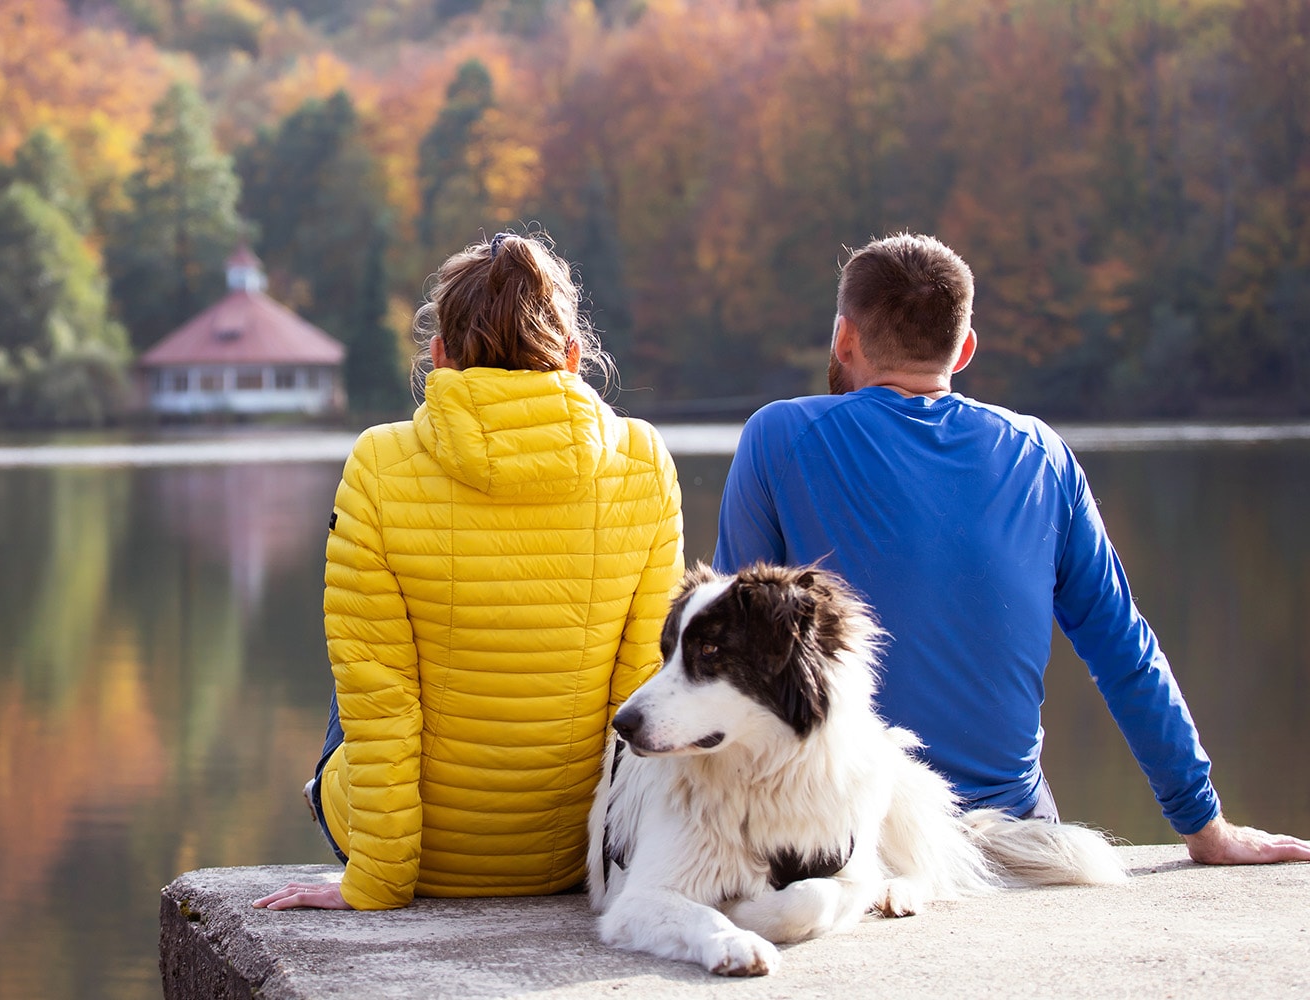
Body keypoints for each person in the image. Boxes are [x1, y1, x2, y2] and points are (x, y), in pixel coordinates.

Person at [713, 233, 1308, 864]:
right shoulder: (1041, 453)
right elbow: (1121, 646)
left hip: (849, 827)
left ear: (842, 338)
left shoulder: (779, 436)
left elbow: (726, 646)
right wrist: (1203, 824)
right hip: (1011, 828)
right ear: (965, 349)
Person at [255, 232, 685, 911]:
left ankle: (330, 805)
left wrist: (377, 882)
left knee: (366, 669)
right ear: (573, 357)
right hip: (581, 855)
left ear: (438, 355)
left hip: (428, 859)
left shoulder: (379, 463)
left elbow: (380, 700)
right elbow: (643, 688)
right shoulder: (643, 460)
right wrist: (618, 855)